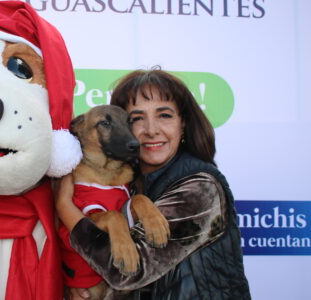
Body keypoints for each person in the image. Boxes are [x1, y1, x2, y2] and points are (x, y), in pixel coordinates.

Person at [56, 69, 251, 300]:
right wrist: (77, 285)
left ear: (183, 124)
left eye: (164, 115)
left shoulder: (200, 188)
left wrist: (66, 209)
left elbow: (129, 272)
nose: (151, 130)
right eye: (136, 119)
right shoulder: (132, 183)